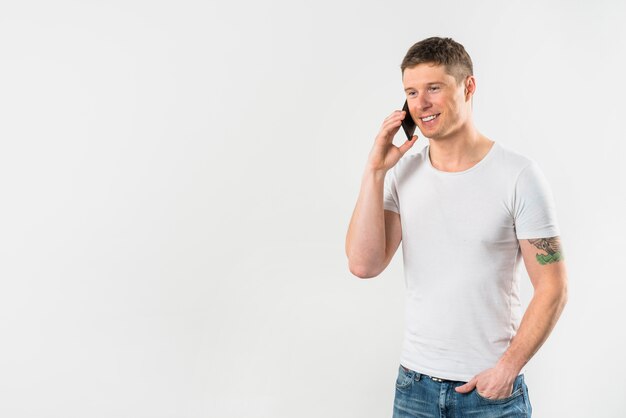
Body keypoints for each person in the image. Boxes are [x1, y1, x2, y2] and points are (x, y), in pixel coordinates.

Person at [344, 37, 568, 417]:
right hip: (414, 389)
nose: (421, 103)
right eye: (411, 92)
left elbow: (553, 287)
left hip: (491, 395)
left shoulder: (518, 175)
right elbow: (364, 265)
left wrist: (507, 369)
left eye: (434, 88)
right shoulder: (402, 174)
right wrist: (375, 171)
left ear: (468, 86)